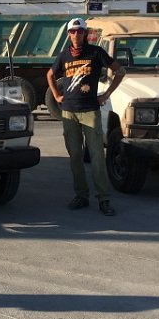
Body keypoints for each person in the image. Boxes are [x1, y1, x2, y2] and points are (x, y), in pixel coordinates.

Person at [47, 18, 125, 216]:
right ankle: (81, 195)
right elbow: (50, 74)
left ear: (85, 33)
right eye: (73, 31)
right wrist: (56, 95)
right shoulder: (64, 55)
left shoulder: (96, 52)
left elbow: (120, 71)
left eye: (80, 31)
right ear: (68, 34)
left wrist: (106, 95)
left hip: (90, 111)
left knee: (97, 156)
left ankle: (103, 198)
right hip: (69, 112)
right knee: (75, 156)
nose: (76, 34)